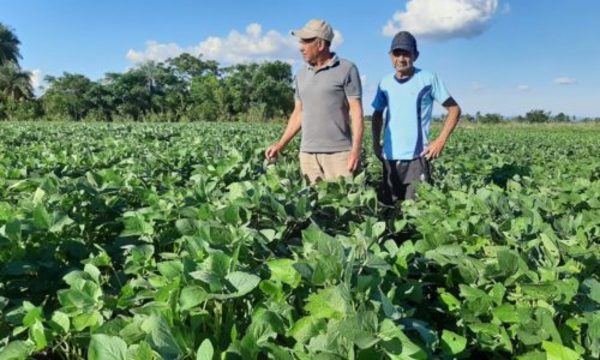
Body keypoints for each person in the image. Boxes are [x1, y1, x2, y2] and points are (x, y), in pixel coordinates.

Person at [265, 19, 363, 184]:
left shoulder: (347, 69)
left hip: (339, 154)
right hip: (308, 155)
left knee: (343, 205)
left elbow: (356, 112)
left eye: (306, 41)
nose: (300, 47)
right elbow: (298, 113)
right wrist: (281, 144)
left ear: (321, 44)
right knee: (314, 207)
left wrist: (356, 150)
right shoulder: (301, 74)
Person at [372, 31, 461, 204]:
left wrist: (440, 141)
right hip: (389, 157)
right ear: (390, 56)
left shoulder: (428, 79)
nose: (401, 58)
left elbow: (454, 109)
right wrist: (376, 144)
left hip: (417, 158)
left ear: (416, 55)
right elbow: (377, 114)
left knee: (417, 211)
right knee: (392, 209)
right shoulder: (384, 83)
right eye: (397, 53)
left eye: (406, 53)